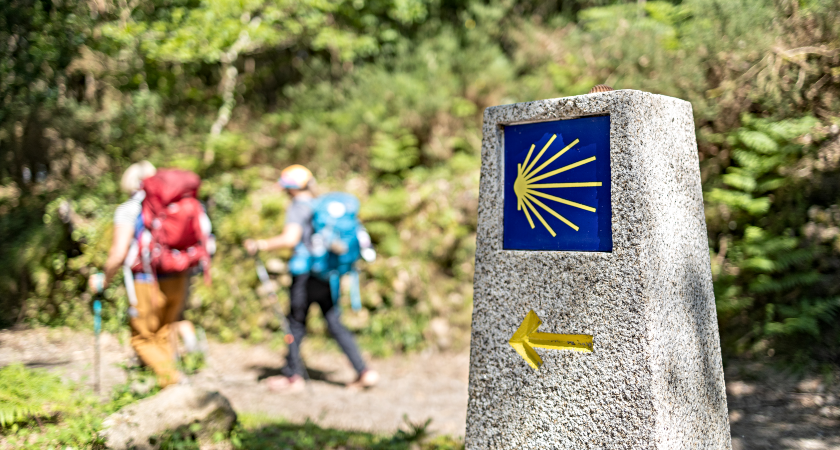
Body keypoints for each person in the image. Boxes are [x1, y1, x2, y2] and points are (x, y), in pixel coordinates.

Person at [245, 164, 379, 392]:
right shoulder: (320, 206)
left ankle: (293, 376)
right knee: (334, 322)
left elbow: (290, 238)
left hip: (304, 273)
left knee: (295, 324)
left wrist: (260, 244)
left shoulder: (298, 207)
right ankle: (364, 371)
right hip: (325, 272)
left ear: (291, 188)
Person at [88, 161, 211, 388]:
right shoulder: (184, 203)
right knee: (163, 333)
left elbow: (118, 253)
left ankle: (175, 384)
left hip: (147, 281)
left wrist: (103, 280)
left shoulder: (130, 208)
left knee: (142, 339)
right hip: (180, 276)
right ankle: (168, 386)